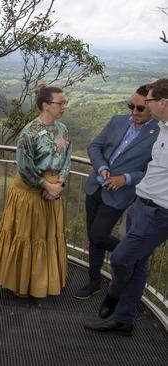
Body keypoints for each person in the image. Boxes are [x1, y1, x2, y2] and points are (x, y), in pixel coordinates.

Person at [85, 78, 168, 336]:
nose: (139, 109)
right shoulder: (163, 129)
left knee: (122, 258)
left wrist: (126, 179)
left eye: (146, 104)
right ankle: (123, 319)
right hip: (139, 205)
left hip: (158, 211)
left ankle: (113, 295)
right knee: (138, 264)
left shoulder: (156, 128)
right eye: (132, 105)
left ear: (161, 103)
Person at [75, 85, 159, 299]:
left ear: (151, 107)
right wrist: (102, 168)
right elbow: (94, 147)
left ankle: (131, 254)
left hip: (119, 194)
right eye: (132, 106)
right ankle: (94, 280)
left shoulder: (158, 133)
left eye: (140, 108)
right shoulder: (117, 121)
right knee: (94, 238)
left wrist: (125, 179)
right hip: (95, 185)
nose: (134, 112)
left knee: (98, 235)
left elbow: (151, 170)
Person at [0, 85, 72, 298]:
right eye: (59, 103)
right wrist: (47, 185)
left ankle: (41, 281)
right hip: (30, 191)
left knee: (45, 236)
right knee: (27, 235)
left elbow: (67, 158)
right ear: (46, 105)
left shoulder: (62, 129)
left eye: (64, 102)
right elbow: (24, 166)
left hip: (53, 190)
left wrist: (59, 184)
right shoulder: (29, 132)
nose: (64, 106)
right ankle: (20, 283)